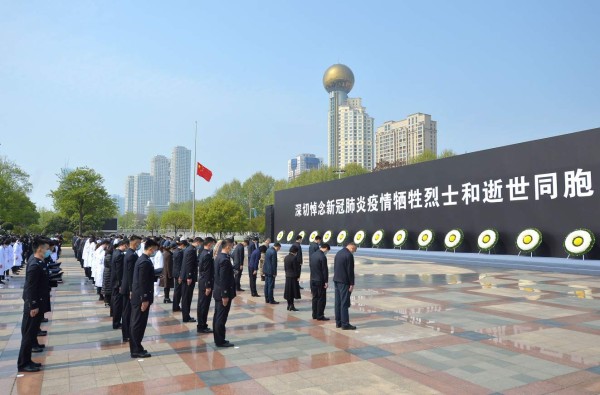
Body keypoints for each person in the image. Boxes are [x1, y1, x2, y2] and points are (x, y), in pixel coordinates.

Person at [17, 237, 48, 372]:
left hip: (37, 302)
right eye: (46, 248)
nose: (47, 251)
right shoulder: (34, 265)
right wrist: (33, 305)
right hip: (33, 305)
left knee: (31, 333)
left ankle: (28, 360)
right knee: (28, 334)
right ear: (40, 249)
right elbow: (30, 287)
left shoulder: (37, 261)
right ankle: (23, 363)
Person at [129, 239, 159, 358]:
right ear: (151, 248)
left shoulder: (143, 259)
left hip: (139, 296)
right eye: (155, 250)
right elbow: (142, 282)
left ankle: (137, 346)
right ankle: (135, 349)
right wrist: (145, 299)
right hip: (141, 298)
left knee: (139, 323)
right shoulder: (144, 262)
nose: (155, 252)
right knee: (138, 324)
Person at [213, 239, 236, 347]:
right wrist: (225, 295)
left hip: (218, 291)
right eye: (231, 246)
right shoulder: (224, 260)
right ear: (227, 247)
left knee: (218, 316)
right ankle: (220, 340)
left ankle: (218, 339)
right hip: (223, 293)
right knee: (221, 317)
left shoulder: (219, 257)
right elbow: (223, 279)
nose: (232, 248)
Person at [121, 235, 142, 342]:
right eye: (138, 242)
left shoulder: (131, 253)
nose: (139, 244)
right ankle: (126, 334)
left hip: (127, 286)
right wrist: (131, 289)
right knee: (127, 311)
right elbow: (130, 274)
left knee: (127, 311)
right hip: (128, 287)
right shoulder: (131, 255)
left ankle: (127, 333)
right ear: (133, 242)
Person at [333, 241, 357, 330]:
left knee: (338, 302)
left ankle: (338, 322)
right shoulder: (349, 255)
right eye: (354, 250)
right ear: (352, 247)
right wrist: (352, 283)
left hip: (337, 280)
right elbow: (350, 271)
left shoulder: (339, 253)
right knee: (344, 303)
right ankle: (345, 324)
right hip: (344, 282)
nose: (353, 252)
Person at [181, 237, 203, 323]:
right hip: (188, 278)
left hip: (186, 276)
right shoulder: (191, 250)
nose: (200, 246)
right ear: (197, 242)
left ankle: (186, 315)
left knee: (187, 297)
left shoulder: (189, 249)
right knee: (187, 297)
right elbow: (189, 265)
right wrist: (189, 277)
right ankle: (186, 317)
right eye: (200, 243)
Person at [197, 237, 216, 334]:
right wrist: (208, 286)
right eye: (212, 244)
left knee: (202, 304)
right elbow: (207, 272)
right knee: (204, 305)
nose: (213, 246)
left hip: (202, 281)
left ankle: (202, 324)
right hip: (205, 282)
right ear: (209, 244)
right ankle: (202, 325)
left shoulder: (202, 253)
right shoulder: (207, 255)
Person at [310, 243, 331, 321]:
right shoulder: (322, 257)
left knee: (315, 297)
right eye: (327, 250)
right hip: (320, 280)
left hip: (313, 279)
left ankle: (314, 314)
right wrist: (326, 281)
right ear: (325, 248)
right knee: (321, 298)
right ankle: (320, 315)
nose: (327, 252)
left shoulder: (313, 255)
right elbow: (324, 270)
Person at [111, 239, 128, 330]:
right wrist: (121, 283)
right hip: (117, 283)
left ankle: (116, 321)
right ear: (123, 245)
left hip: (114, 282)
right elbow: (119, 271)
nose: (126, 248)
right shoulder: (119, 255)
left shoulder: (115, 252)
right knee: (118, 303)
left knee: (116, 302)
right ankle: (116, 323)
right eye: (126, 246)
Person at [284, 245, 301, 311]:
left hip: (288, 276)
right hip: (293, 277)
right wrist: (298, 276)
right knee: (293, 292)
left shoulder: (286, 257)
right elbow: (296, 269)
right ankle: (292, 305)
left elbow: (285, 268)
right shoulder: (294, 258)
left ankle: (289, 305)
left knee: (288, 291)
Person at [171, 240, 187, 312]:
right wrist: (180, 275)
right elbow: (179, 265)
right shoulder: (180, 253)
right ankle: (176, 306)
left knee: (177, 290)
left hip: (175, 273)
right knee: (178, 291)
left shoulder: (176, 251)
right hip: (178, 274)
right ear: (183, 245)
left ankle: (176, 306)